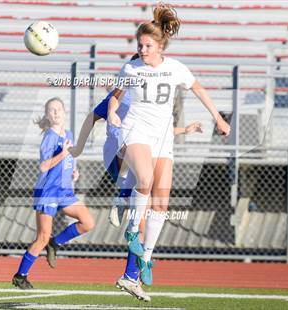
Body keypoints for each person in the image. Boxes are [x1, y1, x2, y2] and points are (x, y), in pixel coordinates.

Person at [107, 3, 230, 288]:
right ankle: (133, 235)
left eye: (148, 45)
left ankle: (146, 257)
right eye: (140, 45)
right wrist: (113, 111)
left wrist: (218, 119)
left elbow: (198, 89)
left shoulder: (175, 68)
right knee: (146, 181)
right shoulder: (131, 68)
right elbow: (115, 97)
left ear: (160, 46)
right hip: (135, 131)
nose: (143, 50)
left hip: (163, 136)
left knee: (161, 202)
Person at [71, 81, 202, 301]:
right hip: (117, 157)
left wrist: (184, 130)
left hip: (137, 166)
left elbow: (161, 131)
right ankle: (122, 195)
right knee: (134, 150)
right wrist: (79, 147)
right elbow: (92, 117)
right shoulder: (122, 94)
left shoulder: (151, 102)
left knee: (142, 219)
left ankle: (130, 277)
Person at [12, 97, 95, 289]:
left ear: (64, 112)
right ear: (47, 116)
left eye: (58, 109)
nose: (56, 113)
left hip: (64, 190)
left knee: (88, 222)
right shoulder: (49, 137)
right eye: (51, 110)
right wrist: (64, 154)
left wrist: (74, 170)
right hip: (48, 191)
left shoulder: (69, 134)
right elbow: (43, 166)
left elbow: (69, 157)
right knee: (42, 236)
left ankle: (55, 244)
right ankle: (20, 276)